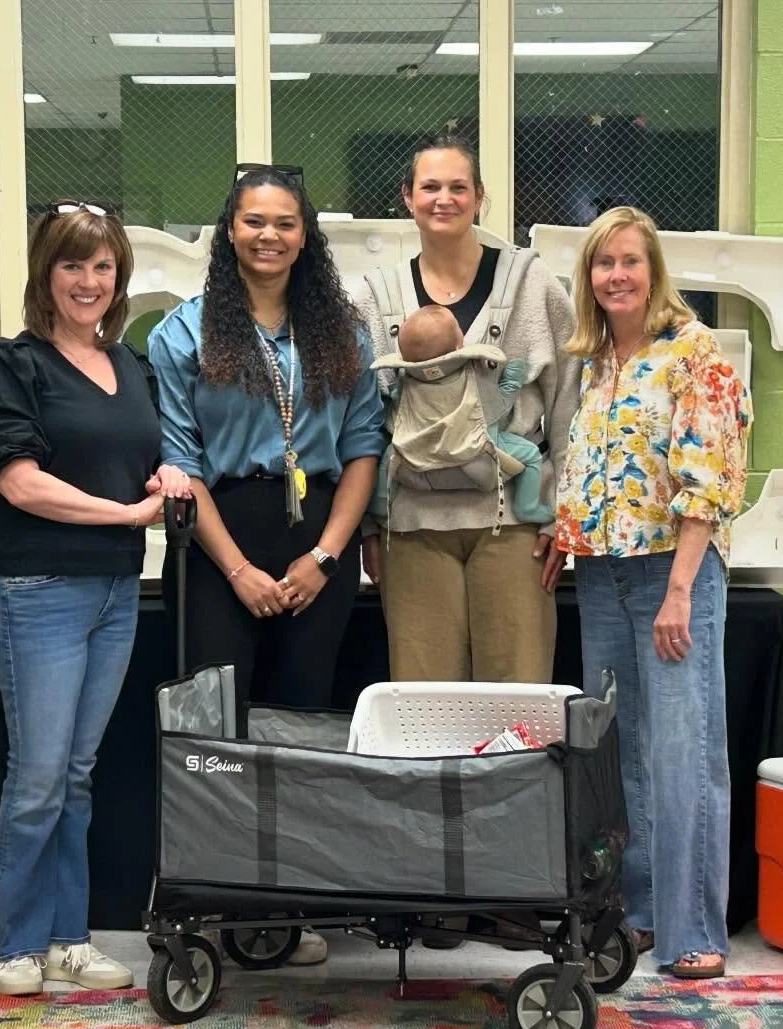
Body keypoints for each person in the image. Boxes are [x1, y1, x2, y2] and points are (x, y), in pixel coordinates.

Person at [0, 200, 193, 995]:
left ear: (118, 277)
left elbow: (151, 454)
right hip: (38, 588)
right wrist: (125, 513)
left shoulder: (131, 367)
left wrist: (165, 477)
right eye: (70, 265)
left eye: (101, 266)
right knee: (38, 776)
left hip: (114, 589)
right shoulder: (9, 366)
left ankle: (68, 940)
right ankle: (14, 944)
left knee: (77, 773)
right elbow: (21, 483)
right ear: (44, 275)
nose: (87, 281)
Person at [149, 165, 385, 966]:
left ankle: (295, 907)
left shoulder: (342, 334)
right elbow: (180, 460)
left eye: (285, 222)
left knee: (305, 719)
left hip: (320, 538)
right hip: (222, 537)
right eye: (253, 221)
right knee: (217, 726)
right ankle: (220, 901)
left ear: (304, 235)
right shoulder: (181, 334)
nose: (269, 236)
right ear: (230, 232)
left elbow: (363, 453)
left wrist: (325, 556)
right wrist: (240, 570)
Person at [555, 206, 752, 980]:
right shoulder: (597, 362)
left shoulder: (693, 353)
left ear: (653, 269)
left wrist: (679, 592)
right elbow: (595, 470)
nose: (618, 276)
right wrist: (563, 535)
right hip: (602, 573)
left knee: (683, 753)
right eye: (604, 264)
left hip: (674, 571)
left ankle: (694, 930)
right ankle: (635, 914)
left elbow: (707, 480)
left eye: (631, 262)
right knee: (620, 754)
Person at [352, 132, 576, 684]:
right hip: (412, 525)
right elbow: (359, 423)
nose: (443, 199)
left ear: (480, 197)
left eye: (458, 187)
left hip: (512, 519)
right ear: (407, 197)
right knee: (424, 699)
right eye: (430, 187)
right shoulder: (374, 298)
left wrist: (565, 514)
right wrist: (368, 527)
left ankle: (515, 777)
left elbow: (571, 402)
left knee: (517, 694)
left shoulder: (531, 284)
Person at [370, 304, 551, 526]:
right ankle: (527, 507)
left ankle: (379, 503)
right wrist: (512, 381)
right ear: (459, 345)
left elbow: (395, 412)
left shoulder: (406, 382)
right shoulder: (474, 376)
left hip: (416, 456)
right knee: (532, 455)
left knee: (389, 454)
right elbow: (497, 408)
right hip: (476, 451)